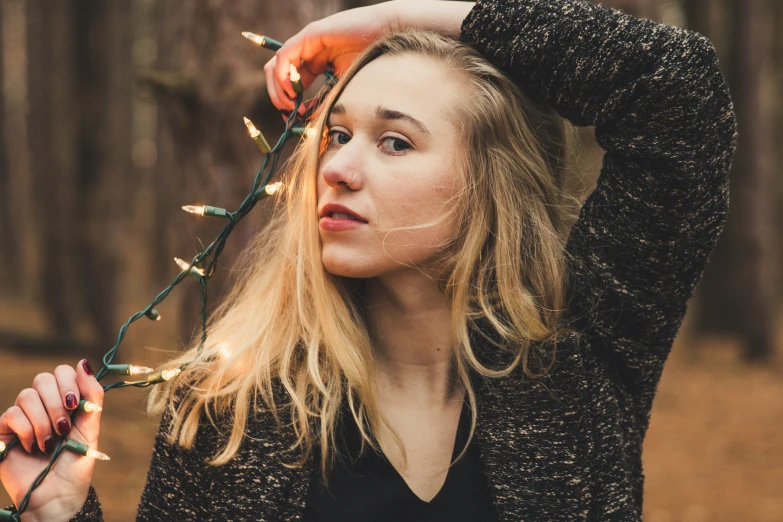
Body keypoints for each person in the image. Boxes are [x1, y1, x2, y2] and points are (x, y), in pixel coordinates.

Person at [0, 0, 737, 520]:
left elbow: (677, 87)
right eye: (337, 135)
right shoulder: (228, 407)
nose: (339, 168)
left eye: (395, 141)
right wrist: (61, 514)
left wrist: (394, 20)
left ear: (489, 182)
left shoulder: (582, 359)